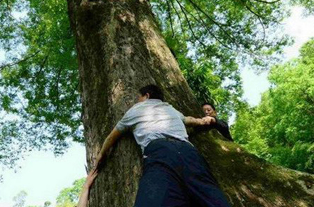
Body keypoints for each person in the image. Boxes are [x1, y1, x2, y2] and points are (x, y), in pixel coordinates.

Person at [91, 84, 231, 207]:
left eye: (138, 97)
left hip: (160, 153)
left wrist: (100, 155)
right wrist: (203, 121)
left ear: (146, 95)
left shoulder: (136, 109)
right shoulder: (169, 108)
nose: (137, 100)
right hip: (189, 152)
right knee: (211, 197)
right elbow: (188, 120)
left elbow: (112, 137)